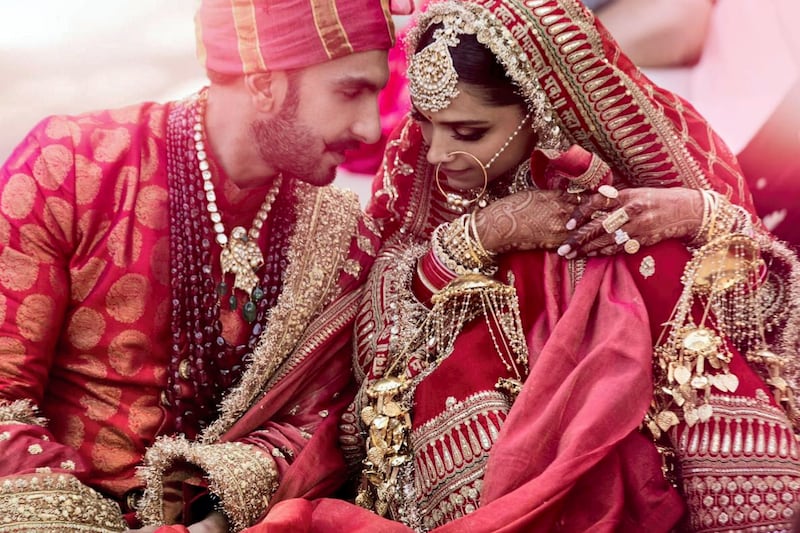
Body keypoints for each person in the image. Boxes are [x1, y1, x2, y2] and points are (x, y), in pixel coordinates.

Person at [258, 0, 800, 531]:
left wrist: (697, 214)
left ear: (543, 112)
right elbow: (376, 343)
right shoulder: (428, 198)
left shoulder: (633, 213)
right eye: (424, 124)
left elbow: (760, 309)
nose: (435, 153)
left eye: (468, 133)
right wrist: (480, 236)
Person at [0, 0, 400, 530]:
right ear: (263, 84)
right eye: (350, 91)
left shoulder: (337, 231)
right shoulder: (73, 167)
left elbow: (321, 424)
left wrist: (206, 516)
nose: (372, 129)